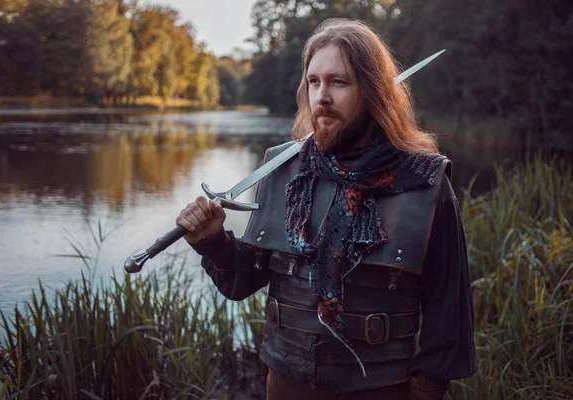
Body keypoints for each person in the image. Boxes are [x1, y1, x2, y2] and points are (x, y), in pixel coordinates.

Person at [176, 19, 477, 400]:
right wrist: (213, 242)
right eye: (314, 82)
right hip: (285, 381)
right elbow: (244, 279)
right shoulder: (285, 170)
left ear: (372, 91)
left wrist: (427, 389)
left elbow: (447, 305)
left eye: (339, 82)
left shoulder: (423, 180)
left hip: (380, 388)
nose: (322, 96)